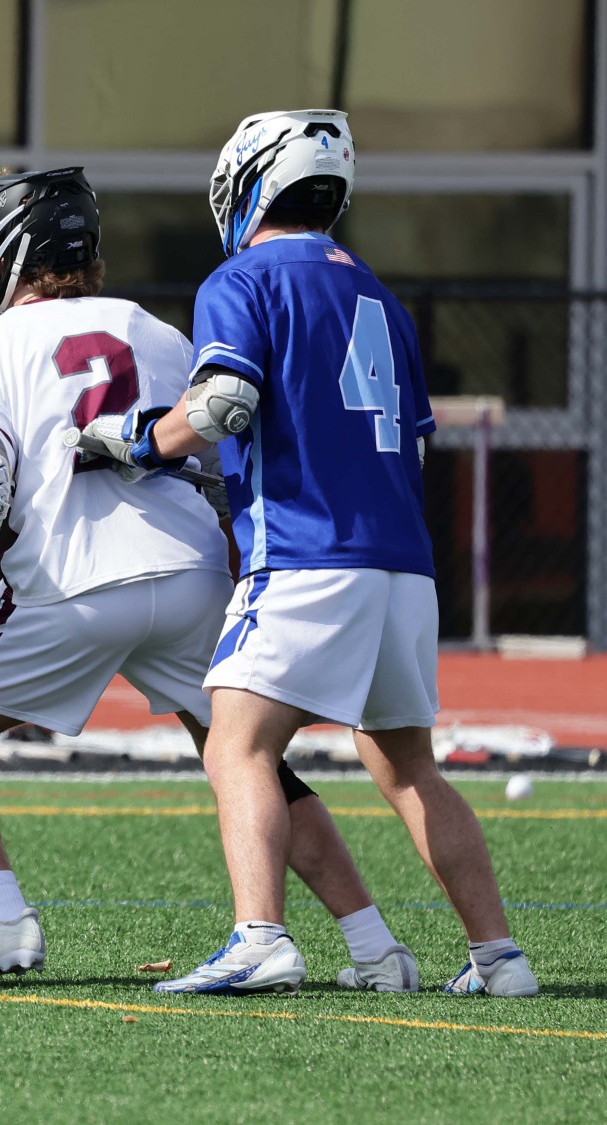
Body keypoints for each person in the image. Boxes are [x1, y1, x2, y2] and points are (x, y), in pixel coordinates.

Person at [0, 167, 416, 992]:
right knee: (250, 756)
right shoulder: (161, 332)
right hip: (196, 573)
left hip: (74, 585)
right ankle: (374, 945)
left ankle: (5, 918)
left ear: (0, 254)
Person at [88, 110, 536, 996]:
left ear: (247, 183)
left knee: (235, 743)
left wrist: (135, 440)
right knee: (407, 764)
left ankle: (260, 937)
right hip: (401, 560)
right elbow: (402, 443)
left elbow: (221, 406)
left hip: (307, 552)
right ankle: (499, 956)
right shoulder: (379, 294)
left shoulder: (242, 277)